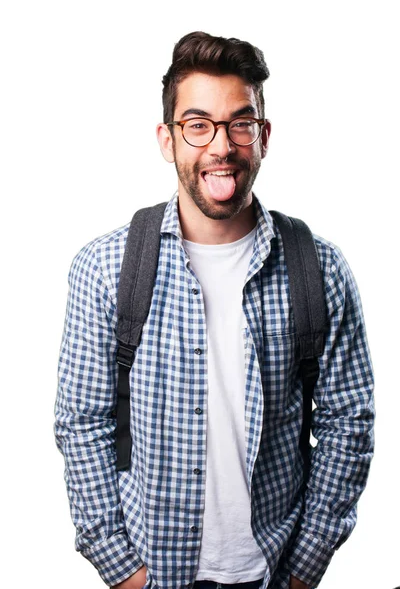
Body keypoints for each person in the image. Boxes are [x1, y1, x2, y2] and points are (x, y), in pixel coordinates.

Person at [54, 31, 374, 589]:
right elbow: (81, 423)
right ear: (167, 139)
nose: (221, 146)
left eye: (240, 123)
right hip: (154, 570)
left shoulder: (319, 269)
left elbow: (348, 420)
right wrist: (121, 568)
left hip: (273, 570)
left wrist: (304, 568)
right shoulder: (105, 268)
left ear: (263, 135)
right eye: (197, 125)